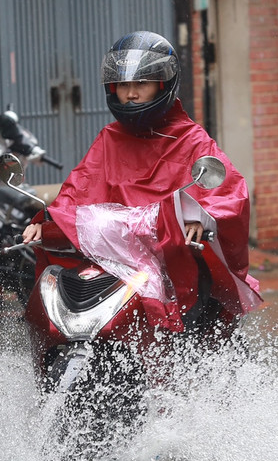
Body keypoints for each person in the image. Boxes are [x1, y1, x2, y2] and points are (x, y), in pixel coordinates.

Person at [22, 30, 262, 329]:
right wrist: (45, 219)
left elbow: (227, 193)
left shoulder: (191, 139)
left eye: (141, 84)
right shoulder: (109, 139)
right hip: (116, 263)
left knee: (198, 317)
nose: (131, 94)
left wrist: (201, 217)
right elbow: (78, 188)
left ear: (163, 85)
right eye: (123, 84)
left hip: (174, 262)